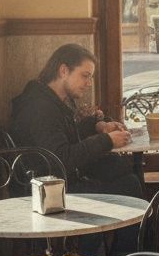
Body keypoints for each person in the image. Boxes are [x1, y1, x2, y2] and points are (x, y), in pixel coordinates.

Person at [9, 44, 141, 198]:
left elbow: (62, 136)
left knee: (118, 165)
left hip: (61, 178)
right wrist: (106, 140)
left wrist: (98, 126)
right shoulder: (41, 108)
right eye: (85, 76)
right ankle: (141, 221)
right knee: (130, 185)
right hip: (52, 191)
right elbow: (62, 158)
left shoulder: (49, 99)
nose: (89, 83)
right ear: (64, 71)